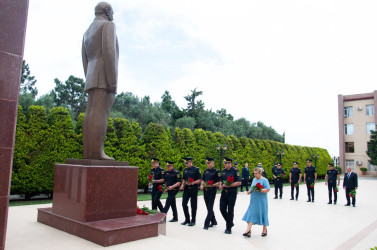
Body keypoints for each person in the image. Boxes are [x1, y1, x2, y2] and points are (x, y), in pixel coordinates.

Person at [82, 2, 119, 160]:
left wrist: (88, 77)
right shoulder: (108, 25)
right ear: (108, 11)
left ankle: (89, 152)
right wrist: (112, 80)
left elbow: (84, 59)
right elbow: (109, 52)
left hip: (91, 75)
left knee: (90, 113)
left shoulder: (87, 32)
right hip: (104, 75)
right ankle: (97, 153)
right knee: (100, 113)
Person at [242, 167, 270, 237]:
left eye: (256, 173)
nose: (254, 175)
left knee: (263, 213)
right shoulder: (254, 179)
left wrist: (260, 190)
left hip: (261, 200)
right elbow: (252, 187)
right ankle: (248, 230)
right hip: (253, 200)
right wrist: (249, 191)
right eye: (254, 173)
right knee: (251, 213)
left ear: (260, 173)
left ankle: (264, 229)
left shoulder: (264, 180)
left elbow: (267, 189)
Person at [219, 157, 241, 234]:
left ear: (230, 163)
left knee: (230, 210)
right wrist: (221, 185)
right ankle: (230, 222)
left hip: (232, 192)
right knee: (222, 208)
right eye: (224, 163)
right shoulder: (223, 171)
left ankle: (228, 228)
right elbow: (221, 180)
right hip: (224, 192)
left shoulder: (235, 171)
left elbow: (239, 182)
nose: (224, 165)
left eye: (226, 163)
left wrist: (230, 185)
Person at [180, 157, 202, 226]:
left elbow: (200, 179)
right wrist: (182, 185)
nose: (186, 164)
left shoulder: (196, 169)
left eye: (187, 163)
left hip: (193, 189)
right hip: (186, 189)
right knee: (184, 204)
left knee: (193, 205)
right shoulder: (185, 170)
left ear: (191, 162)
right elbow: (184, 179)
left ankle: (193, 220)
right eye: (185, 163)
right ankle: (187, 219)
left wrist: (193, 183)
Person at [200, 157, 221, 230]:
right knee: (208, 206)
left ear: (213, 163)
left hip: (212, 190)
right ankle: (214, 221)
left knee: (210, 207)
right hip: (205, 191)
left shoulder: (216, 171)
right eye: (207, 163)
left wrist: (212, 185)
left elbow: (219, 182)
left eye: (209, 163)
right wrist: (202, 185)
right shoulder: (205, 171)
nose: (208, 164)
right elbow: (203, 180)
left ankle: (206, 224)